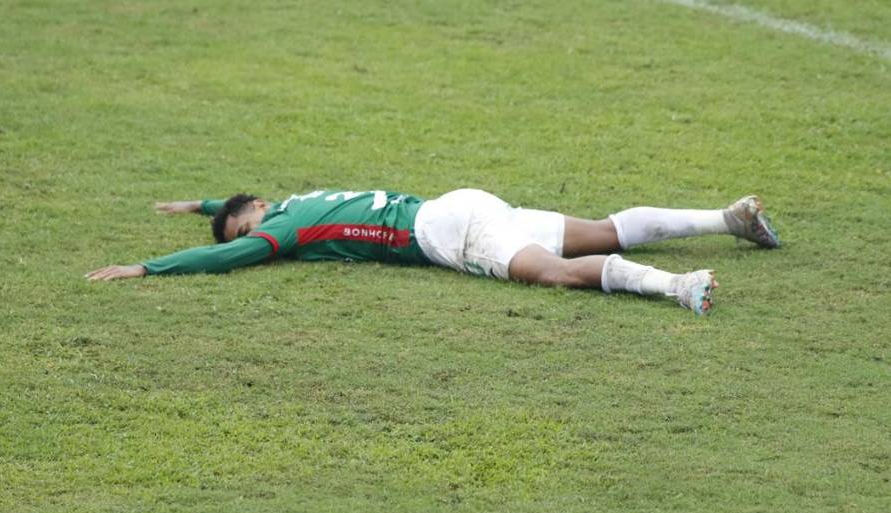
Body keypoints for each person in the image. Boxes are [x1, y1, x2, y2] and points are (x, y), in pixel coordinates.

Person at [86, 189, 780, 315]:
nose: (253, 244)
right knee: (601, 231)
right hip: (461, 204)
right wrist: (200, 207)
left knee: (552, 275)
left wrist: (148, 267)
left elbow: (225, 257)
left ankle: (678, 286)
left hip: (446, 236)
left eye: (245, 230)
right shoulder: (299, 201)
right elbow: (234, 214)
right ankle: (726, 218)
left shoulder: (286, 229)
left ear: (259, 214)